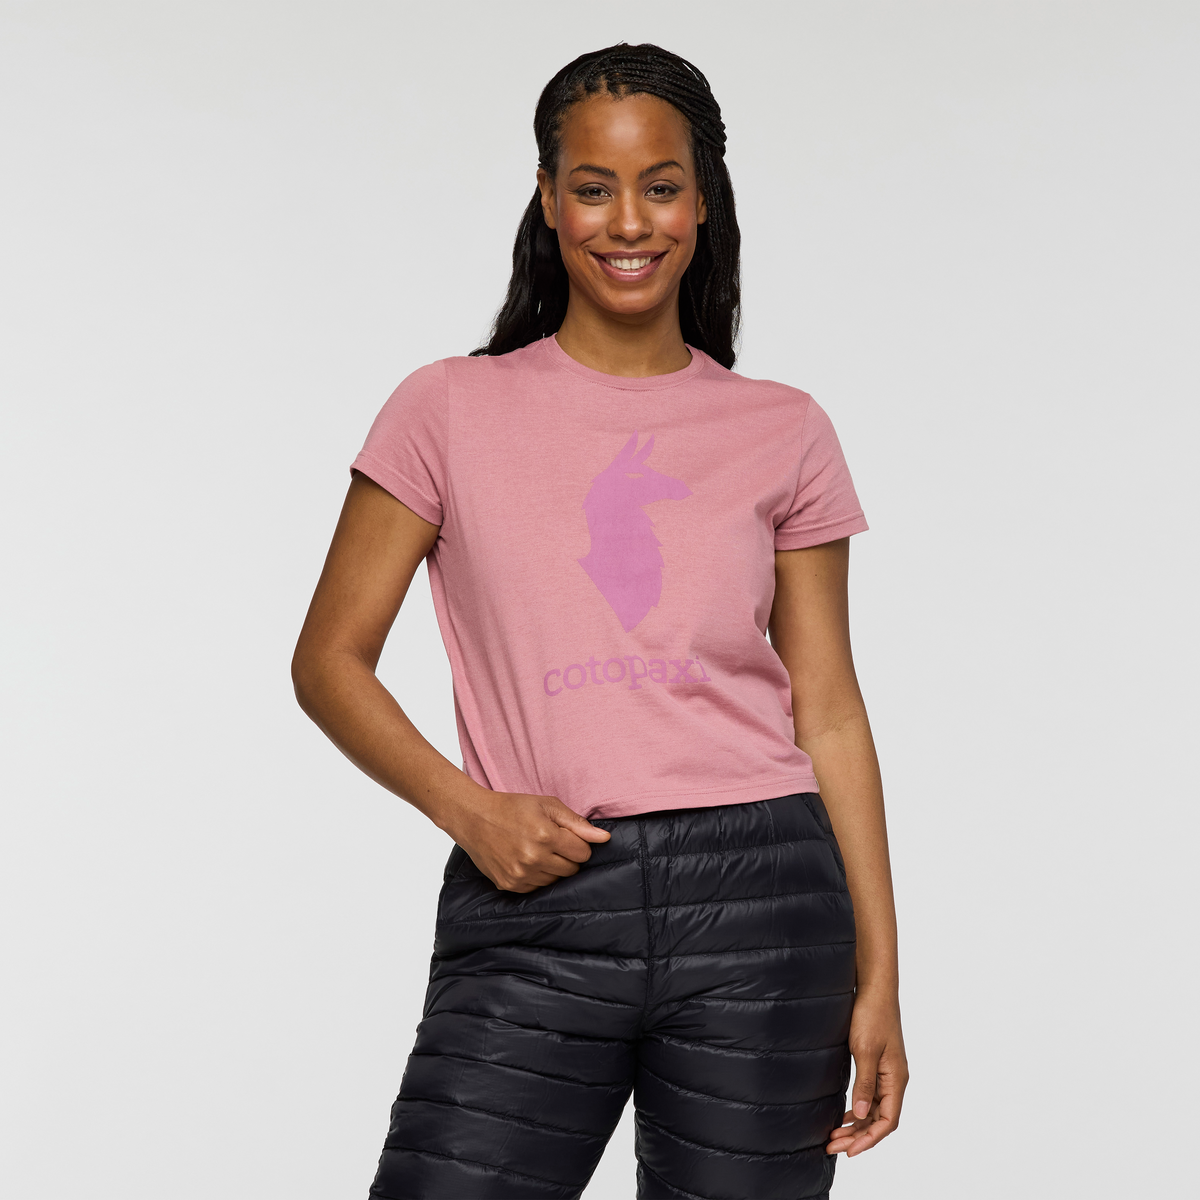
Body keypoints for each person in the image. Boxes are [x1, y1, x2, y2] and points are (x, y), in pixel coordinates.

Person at [292, 41, 907, 1200]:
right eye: (593, 186)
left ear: (704, 199)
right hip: (534, 889)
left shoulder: (785, 428)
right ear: (548, 198)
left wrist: (881, 973)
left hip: (766, 905)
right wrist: (469, 811)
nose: (630, 221)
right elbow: (329, 660)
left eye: (661, 186)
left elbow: (827, 708)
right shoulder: (445, 408)